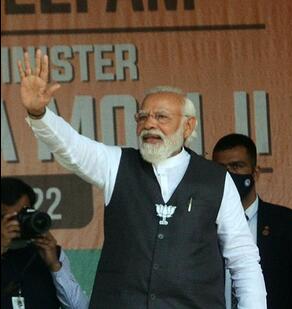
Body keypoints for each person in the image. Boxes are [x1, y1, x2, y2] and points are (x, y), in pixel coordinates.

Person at [17, 50, 266, 308]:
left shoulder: (215, 179)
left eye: (161, 117)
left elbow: (242, 258)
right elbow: (73, 148)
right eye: (143, 116)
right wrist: (39, 114)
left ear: (188, 126)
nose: (149, 124)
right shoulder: (117, 164)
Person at [212, 133, 292, 309]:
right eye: (221, 169)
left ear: (255, 172)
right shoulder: (201, 225)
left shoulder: (290, 224)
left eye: (237, 166)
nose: (229, 175)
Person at [1, 177, 89, 309]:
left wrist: (54, 266)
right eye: (12, 218)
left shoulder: (50, 252)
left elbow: (79, 307)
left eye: (24, 214)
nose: (20, 222)